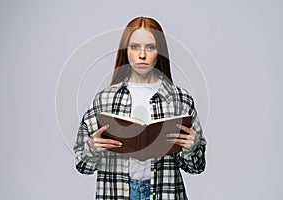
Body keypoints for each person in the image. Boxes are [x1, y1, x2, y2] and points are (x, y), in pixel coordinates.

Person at [74, 16, 206, 200]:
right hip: (116, 193)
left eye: (150, 47)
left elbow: (196, 167)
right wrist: (92, 148)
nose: (142, 55)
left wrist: (192, 147)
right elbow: (82, 165)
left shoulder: (181, 100)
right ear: (125, 50)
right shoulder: (104, 100)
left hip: (165, 193)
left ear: (160, 52)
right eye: (134, 46)